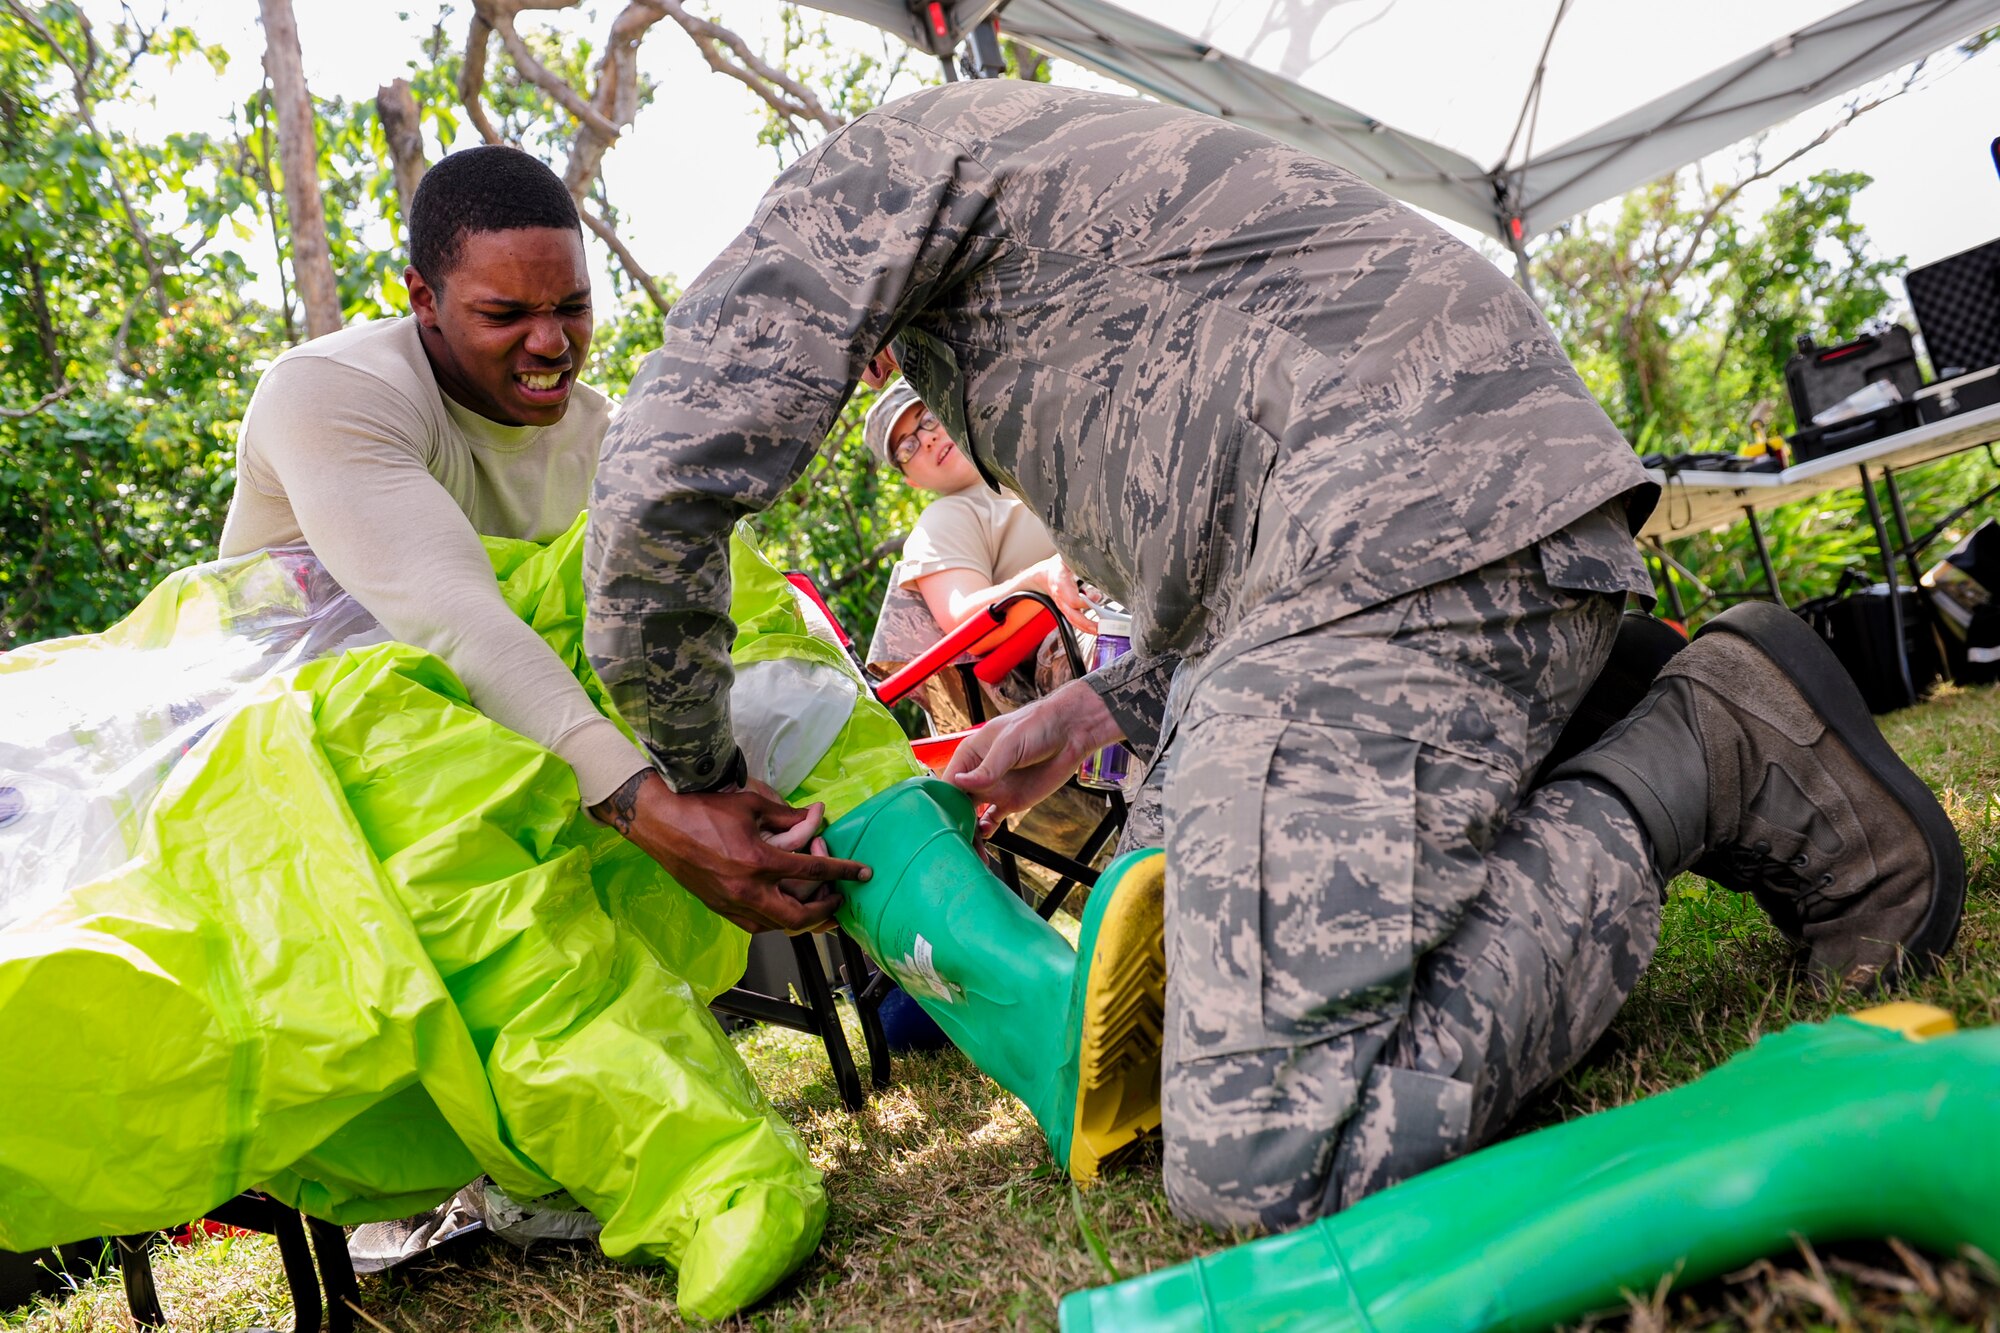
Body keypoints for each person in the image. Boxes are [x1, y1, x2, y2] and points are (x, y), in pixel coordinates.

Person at [583, 82, 1963, 1229]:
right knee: (1157, 996)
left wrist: (693, 787)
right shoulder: (1037, 231)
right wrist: (1089, 709)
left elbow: (656, 494)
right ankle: (1584, 714)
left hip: (1414, 527)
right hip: (1397, 541)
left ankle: (1699, 747)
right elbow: (1227, 548)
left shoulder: (861, 179)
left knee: (1258, 1150)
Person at [219, 144, 859, 932]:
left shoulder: (601, 435)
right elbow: (455, 620)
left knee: (714, 579)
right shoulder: (332, 393)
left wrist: (712, 784)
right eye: (506, 315)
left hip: (518, 750)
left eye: (571, 306)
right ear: (423, 296)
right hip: (309, 773)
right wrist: (651, 810)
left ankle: (915, 917)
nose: (552, 343)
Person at [861, 378, 1094, 726]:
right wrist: (1041, 578)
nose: (926, 439)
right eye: (907, 447)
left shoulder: (1034, 455)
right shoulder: (944, 518)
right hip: (1074, 640)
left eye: (927, 419)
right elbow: (967, 625)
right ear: (911, 480)